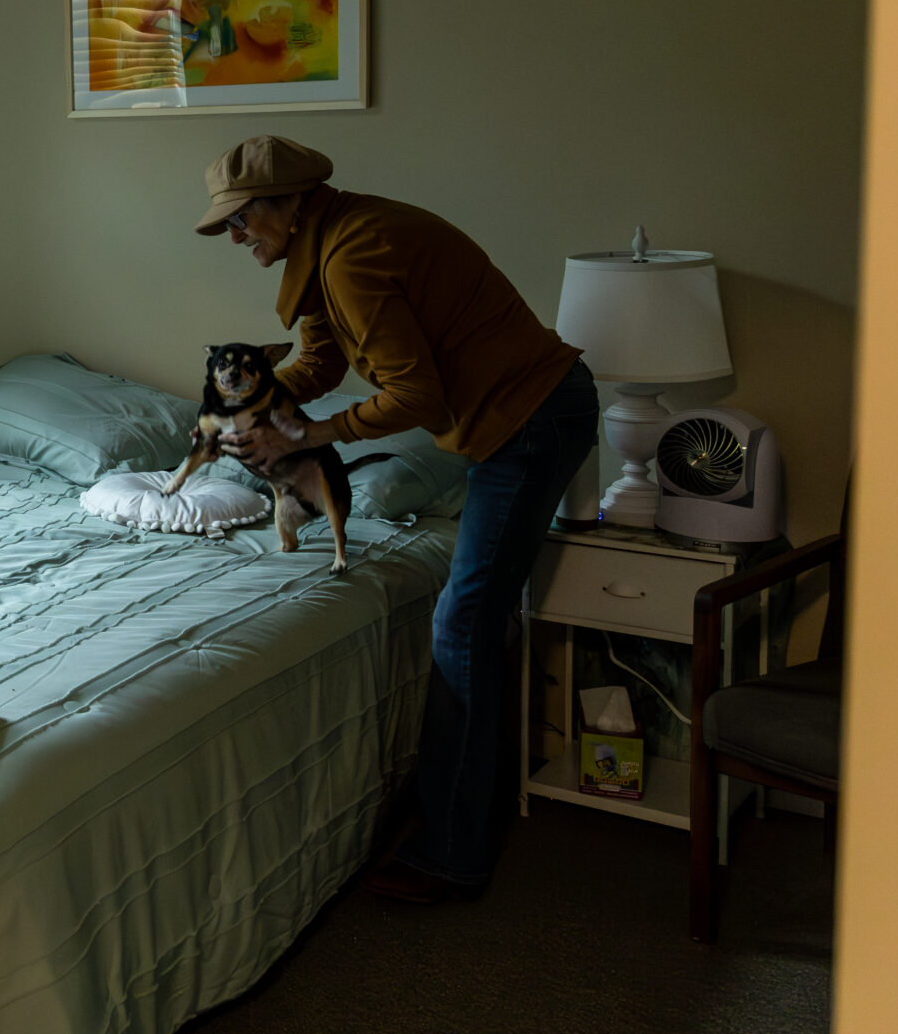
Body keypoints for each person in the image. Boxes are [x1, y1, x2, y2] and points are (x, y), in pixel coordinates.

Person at [194, 134, 597, 901]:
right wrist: (261, 410)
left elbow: (418, 397)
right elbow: (322, 361)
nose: (236, 238)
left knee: (462, 617)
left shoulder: (351, 257)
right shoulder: (328, 248)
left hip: (530, 416)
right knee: (475, 614)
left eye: (241, 221)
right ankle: (463, 808)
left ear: (285, 204)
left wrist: (314, 433)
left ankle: (453, 850)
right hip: (517, 414)